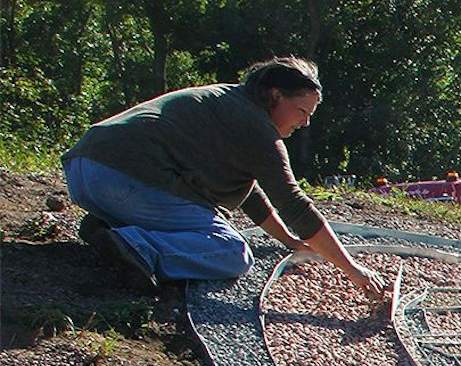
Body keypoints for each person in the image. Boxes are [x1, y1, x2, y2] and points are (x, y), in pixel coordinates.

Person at [61, 56, 384, 298]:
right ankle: (137, 245)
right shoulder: (257, 128)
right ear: (275, 96)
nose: (305, 123)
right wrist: (354, 271)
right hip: (124, 180)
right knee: (229, 252)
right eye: (302, 111)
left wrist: (288, 241)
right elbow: (293, 204)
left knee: (201, 223)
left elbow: (251, 193)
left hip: (85, 170)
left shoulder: (228, 102)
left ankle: (110, 227)